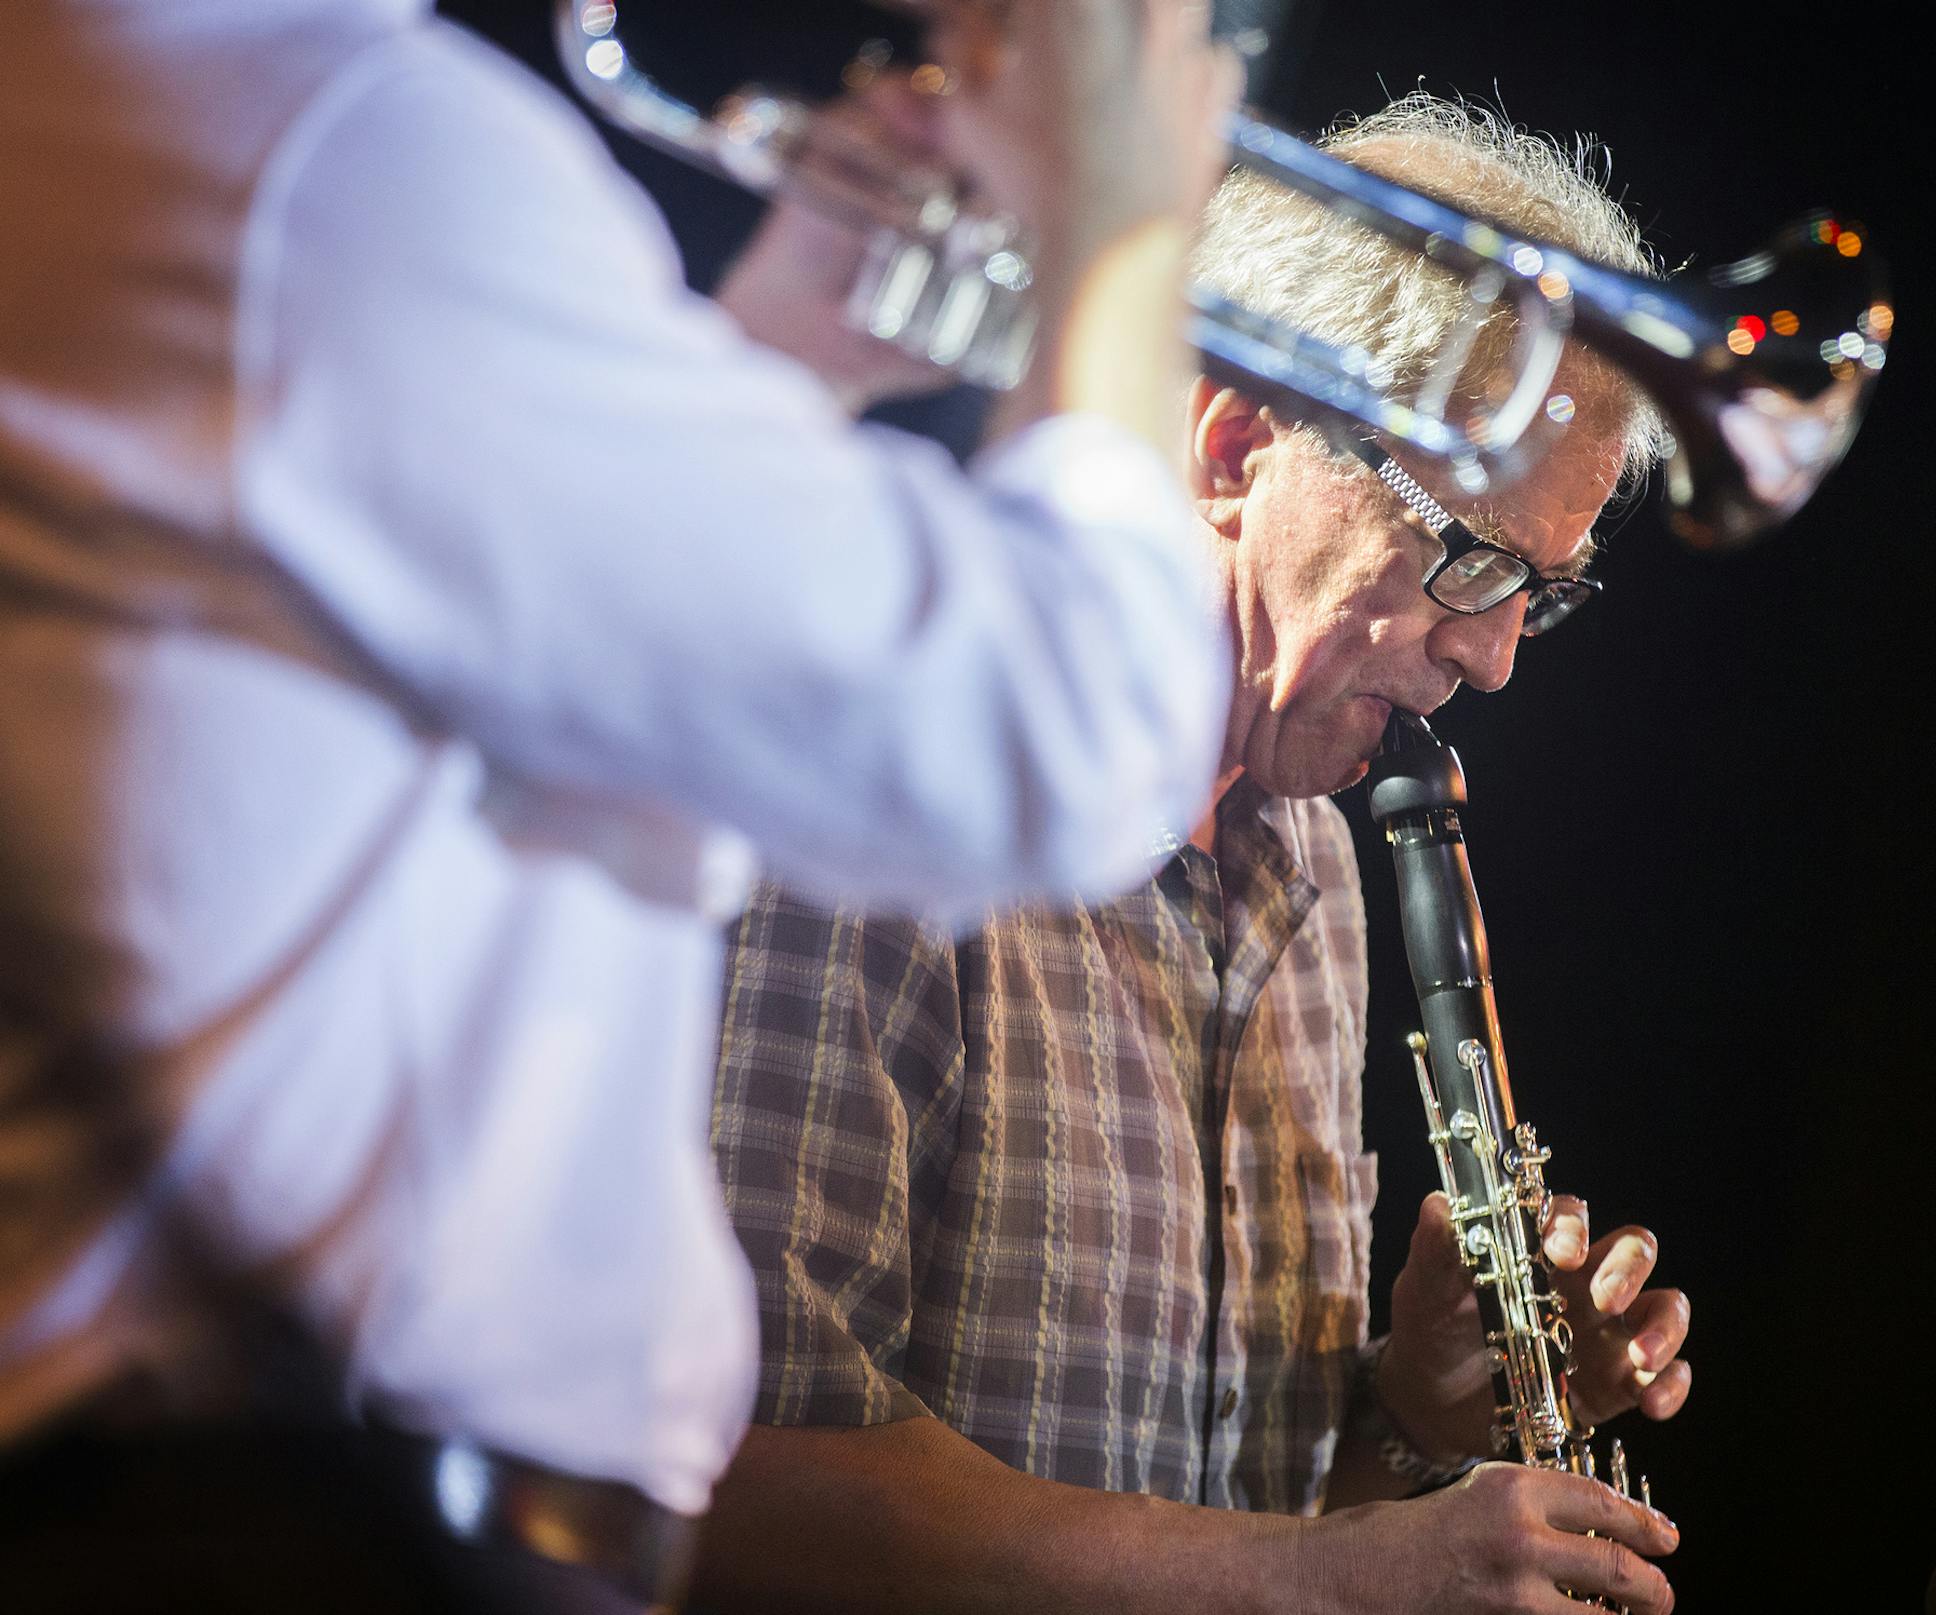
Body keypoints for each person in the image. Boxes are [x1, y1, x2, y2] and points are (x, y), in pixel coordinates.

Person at [0, 1, 1242, 1606]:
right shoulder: (341, 147)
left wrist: (788, 354)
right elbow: (1070, 742)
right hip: (316, 1517)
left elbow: (488, 711)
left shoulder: (148, 107)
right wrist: (1124, 228)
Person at [703, 96, 1695, 1615]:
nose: (1495, 659)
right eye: (1467, 556)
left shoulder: (1325, 872)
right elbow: (732, 1474)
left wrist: (1415, 1410)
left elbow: (1248, 1514)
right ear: (1236, 442)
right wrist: (1345, 1585)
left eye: (1537, 592)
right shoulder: (892, 772)